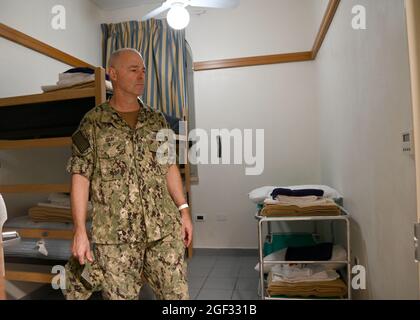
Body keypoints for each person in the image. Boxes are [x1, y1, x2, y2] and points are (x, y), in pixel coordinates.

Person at [63, 48, 192, 300]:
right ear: (113, 74)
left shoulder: (156, 120)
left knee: (178, 298)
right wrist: (80, 230)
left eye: (143, 70)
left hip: (163, 232)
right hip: (116, 240)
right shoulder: (92, 124)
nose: (141, 76)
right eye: (133, 70)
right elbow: (80, 178)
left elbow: (169, 168)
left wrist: (184, 209)